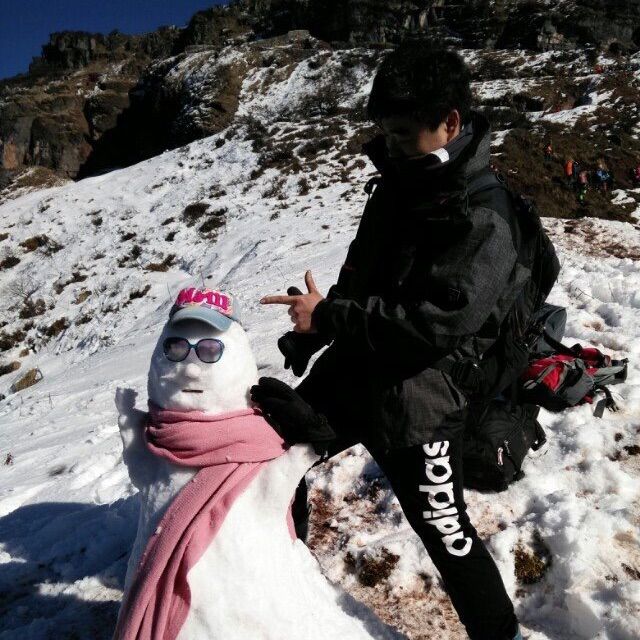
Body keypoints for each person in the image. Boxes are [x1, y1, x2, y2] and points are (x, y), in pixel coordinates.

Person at [253, 42, 527, 640]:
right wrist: (315, 331)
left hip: (423, 402)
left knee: (447, 535)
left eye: (403, 133)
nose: (393, 145)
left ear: (449, 122)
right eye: (386, 132)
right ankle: (282, 591)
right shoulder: (399, 185)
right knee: (270, 457)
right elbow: (363, 275)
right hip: (357, 370)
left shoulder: (486, 217)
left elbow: (434, 325)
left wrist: (333, 318)